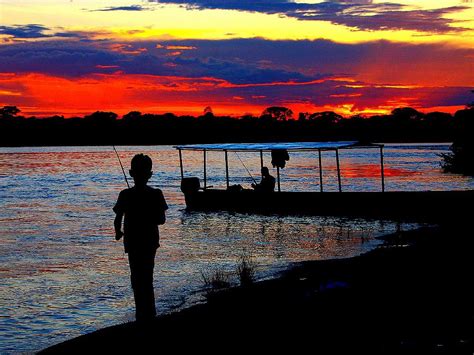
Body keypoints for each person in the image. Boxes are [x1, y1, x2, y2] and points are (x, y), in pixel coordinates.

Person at [113, 154, 168, 323]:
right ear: (149, 174)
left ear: (130, 173)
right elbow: (161, 220)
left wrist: (118, 232)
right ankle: (149, 314)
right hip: (149, 242)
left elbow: (117, 219)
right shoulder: (156, 194)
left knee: (136, 277)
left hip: (133, 242)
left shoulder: (125, 194)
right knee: (146, 276)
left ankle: (141, 314)